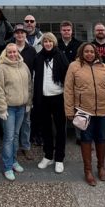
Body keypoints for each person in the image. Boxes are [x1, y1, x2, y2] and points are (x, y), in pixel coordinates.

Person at [64, 42, 105, 186]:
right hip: (83, 110)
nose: (89, 54)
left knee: (101, 138)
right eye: (86, 51)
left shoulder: (104, 67)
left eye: (92, 51)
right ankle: (87, 170)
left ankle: (101, 166)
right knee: (86, 138)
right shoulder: (74, 66)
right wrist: (69, 110)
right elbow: (68, 89)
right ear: (81, 52)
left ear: (96, 53)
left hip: (103, 110)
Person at [0, 43, 32, 181]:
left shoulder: (23, 66)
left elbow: (29, 86)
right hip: (8, 108)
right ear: (6, 53)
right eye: (10, 52)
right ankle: (7, 166)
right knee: (8, 137)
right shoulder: (1, 68)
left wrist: (29, 103)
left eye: (15, 52)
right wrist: (1, 109)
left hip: (21, 107)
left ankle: (14, 160)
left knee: (15, 135)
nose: (13, 54)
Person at [34, 33, 69, 174]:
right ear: (42, 43)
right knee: (46, 128)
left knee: (61, 128)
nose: (47, 43)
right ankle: (48, 155)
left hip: (58, 97)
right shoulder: (38, 57)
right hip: (43, 98)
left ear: (54, 43)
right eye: (45, 41)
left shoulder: (60, 56)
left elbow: (68, 75)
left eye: (50, 41)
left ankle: (59, 158)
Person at [13, 23, 37, 160]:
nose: (20, 35)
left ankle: (26, 146)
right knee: (15, 122)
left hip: (27, 88)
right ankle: (15, 147)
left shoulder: (31, 50)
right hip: (14, 89)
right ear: (14, 34)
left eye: (22, 33)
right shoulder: (10, 49)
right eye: (18, 33)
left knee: (26, 121)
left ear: (25, 35)